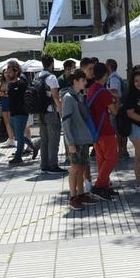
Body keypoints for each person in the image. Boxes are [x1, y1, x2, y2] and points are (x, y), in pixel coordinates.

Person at [61, 69, 99, 210]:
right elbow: (66, 122)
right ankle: (73, 197)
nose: (85, 82)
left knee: (82, 168)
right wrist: (70, 142)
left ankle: (80, 194)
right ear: (75, 81)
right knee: (75, 168)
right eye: (82, 80)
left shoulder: (77, 96)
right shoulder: (68, 98)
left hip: (82, 139)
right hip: (75, 140)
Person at [87, 63, 119, 198]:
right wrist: (117, 102)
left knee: (102, 159)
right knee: (112, 158)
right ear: (105, 75)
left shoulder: (92, 88)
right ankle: (99, 185)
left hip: (95, 130)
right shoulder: (104, 92)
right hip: (105, 130)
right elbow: (114, 111)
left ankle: (104, 186)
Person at [35, 56, 66, 173]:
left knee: (44, 139)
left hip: (40, 112)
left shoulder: (37, 76)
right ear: (52, 64)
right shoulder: (52, 77)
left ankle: (44, 165)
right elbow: (55, 96)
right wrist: (61, 109)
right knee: (54, 139)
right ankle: (53, 165)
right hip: (51, 111)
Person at [5, 61, 37, 165]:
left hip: (22, 113)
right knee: (18, 136)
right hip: (13, 114)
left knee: (19, 136)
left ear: (16, 71)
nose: (8, 74)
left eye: (10, 72)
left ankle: (18, 157)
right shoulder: (10, 85)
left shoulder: (22, 84)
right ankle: (33, 146)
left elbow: (27, 98)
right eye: (7, 72)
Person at [0, 65, 14, 147]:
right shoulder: (1, 82)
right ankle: (10, 138)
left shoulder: (12, 81)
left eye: (7, 72)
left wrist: (4, 93)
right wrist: (4, 93)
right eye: (4, 73)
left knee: (11, 121)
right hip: (4, 102)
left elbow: (12, 93)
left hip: (10, 102)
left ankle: (13, 138)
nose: (6, 74)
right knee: (6, 122)